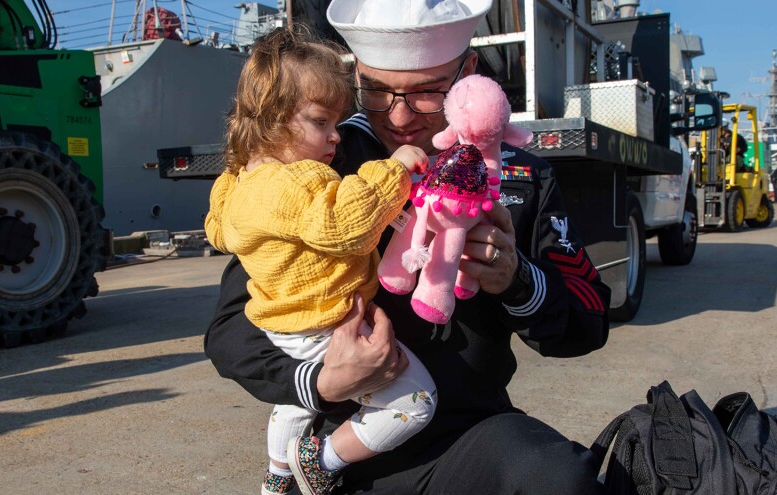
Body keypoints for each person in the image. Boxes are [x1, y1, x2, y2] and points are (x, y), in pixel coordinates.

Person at [203, 1, 611, 494]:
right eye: (376, 91)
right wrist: (321, 383)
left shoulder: (520, 176)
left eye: (426, 92)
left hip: (469, 435)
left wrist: (514, 277)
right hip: (339, 445)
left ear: (468, 73)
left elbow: (589, 321)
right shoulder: (314, 164)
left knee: (562, 480)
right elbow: (229, 329)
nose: (398, 117)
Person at [204, 28, 438, 495]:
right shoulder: (296, 182)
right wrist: (394, 170)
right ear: (271, 119)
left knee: (297, 402)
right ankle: (322, 461)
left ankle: (278, 476)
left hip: (282, 327)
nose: (335, 137)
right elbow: (345, 224)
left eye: (338, 123)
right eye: (319, 122)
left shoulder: (235, 184)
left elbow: (219, 231)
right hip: (325, 324)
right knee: (416, 401)